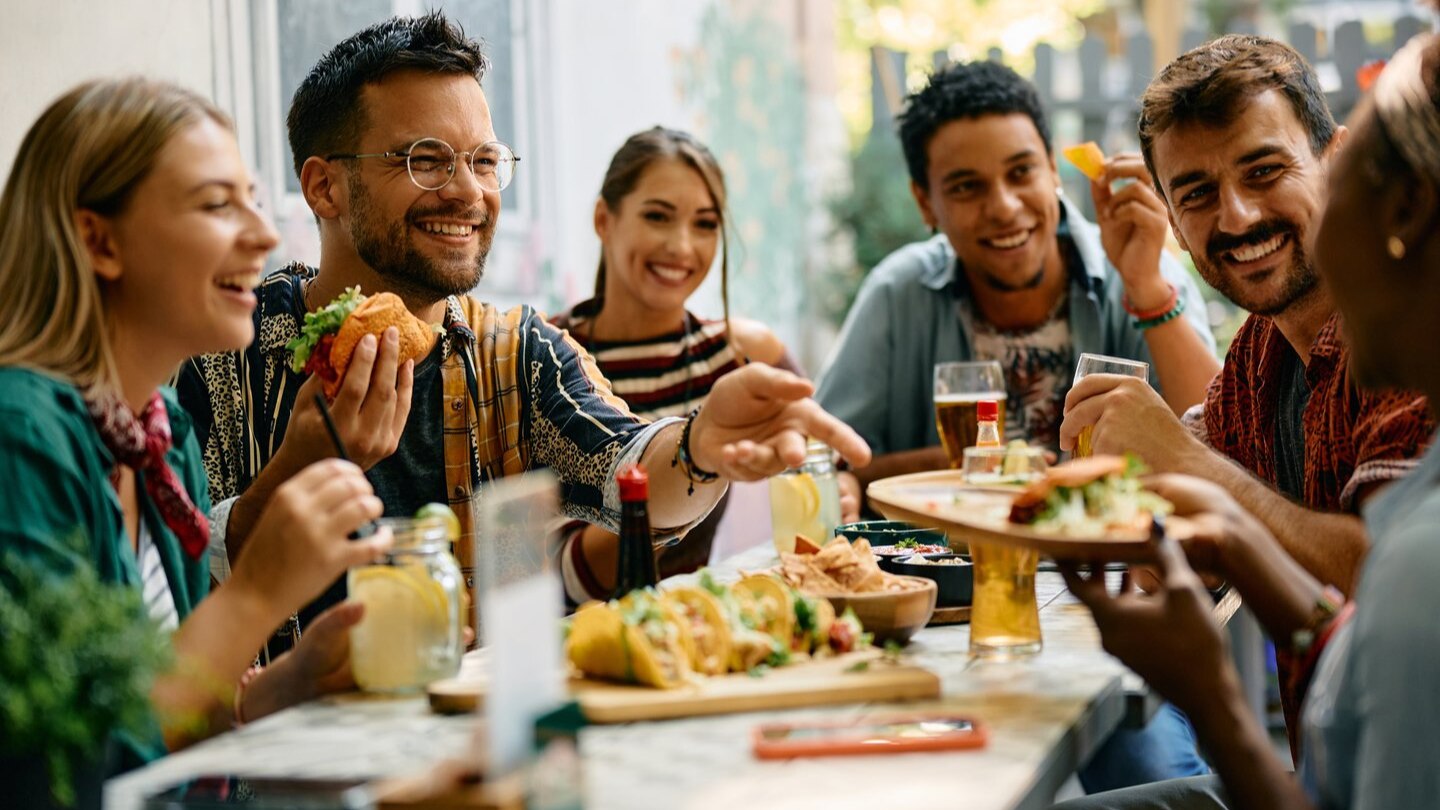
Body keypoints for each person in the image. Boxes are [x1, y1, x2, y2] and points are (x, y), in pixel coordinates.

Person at [177, 12, 868, 659]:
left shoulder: (515, 353)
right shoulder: (221, 355)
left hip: (483, 762)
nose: (468, 192)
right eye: (425, 159)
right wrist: (294, 472)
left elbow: (631, 466)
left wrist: (703, 444)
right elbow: (166, 590)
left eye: (483, 161)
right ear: (325, 188)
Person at [1055, 34, 1440, 809]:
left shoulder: (1404, 345)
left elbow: (1383, 577)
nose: (1236, 215)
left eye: (1264, 172)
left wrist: (1212, 698)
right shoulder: (1259, 355)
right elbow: (1198, 524)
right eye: (1195, 193)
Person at [0, 78, 392, 770]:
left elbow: (165, 710)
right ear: (99, 240)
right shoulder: (20, 435)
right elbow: (68, 759)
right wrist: (257, 594)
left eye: (255, 201)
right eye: (217, 204)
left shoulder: (160, 435)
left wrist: (288, 681)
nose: (266, 234)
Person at [816, 59, 1217, 491]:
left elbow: (1220, 452)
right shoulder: (897, 294)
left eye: (1021, 172)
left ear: (1051, 168)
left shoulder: (1144, 273)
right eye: (967, 186)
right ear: (925, 202)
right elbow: (824, 461)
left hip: (1111, 557)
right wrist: (961, 468)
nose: (1004, 207)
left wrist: (1146, 289)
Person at [550, 126, 843, 603]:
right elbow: (554, 576)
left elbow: (832, 463)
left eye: (705, 224)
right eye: (658, 217)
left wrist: (835, 490)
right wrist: (690, 460)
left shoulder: (742, 355)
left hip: (702, 631)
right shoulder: (547, 357)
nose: (682, 247)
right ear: (604, 219)